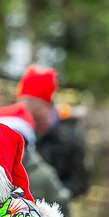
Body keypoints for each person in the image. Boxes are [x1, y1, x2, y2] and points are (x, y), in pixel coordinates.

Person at [0, 102, 73, 217]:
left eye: (15, 145)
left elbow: (62, 214)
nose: (8, 152)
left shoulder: (44, 176)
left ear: (27, 147)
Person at [16, 65, 91, 199]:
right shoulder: (15, 130)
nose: (31, 121)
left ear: (49, 108)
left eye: (37, 116)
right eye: (24, 113)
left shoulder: (69, 139)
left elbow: (80, 184)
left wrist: (55, 194)